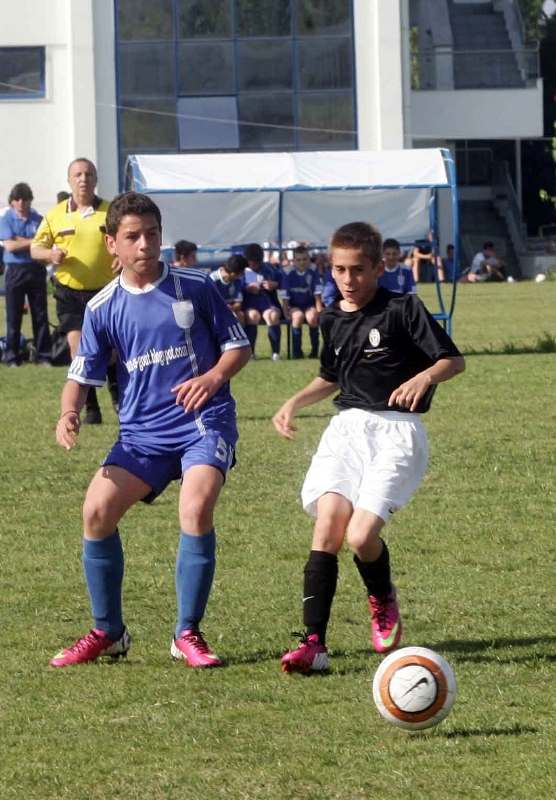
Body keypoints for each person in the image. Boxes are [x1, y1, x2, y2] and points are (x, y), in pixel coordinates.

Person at [50, 191, 251, 669]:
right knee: (96, 511)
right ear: (111, 243)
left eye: (152, 234)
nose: (144, 245)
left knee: (196, 506)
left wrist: (212, 378)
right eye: (132, 236)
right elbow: (80, 374)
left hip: (203, 422)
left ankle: (187, 633)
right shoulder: (102, 307)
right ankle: (108, 632)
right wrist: (69, 412)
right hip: (142, 435)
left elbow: (238, 346)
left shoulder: (195, 286)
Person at [272, 221, 465, 674]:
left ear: (379, 268)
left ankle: (381, 595)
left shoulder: (403, 308)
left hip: (397, 432)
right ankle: (313, 644)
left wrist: (423, 377)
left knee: (360, 537)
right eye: (339, 269)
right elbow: (332, 376)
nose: (348, 279)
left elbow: (452, 360)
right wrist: (294, 402)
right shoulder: (331, 317)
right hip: (346, 431)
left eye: (358, 270)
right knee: (327, 527)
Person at [30, 158, 119, 423]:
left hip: (106, 291)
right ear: (69, 180)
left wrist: (122, 258)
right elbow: (35, 249)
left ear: (96, 180)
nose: (83, 179)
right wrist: (50, 254)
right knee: (78, 349)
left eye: (88, 174)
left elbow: (127, 238)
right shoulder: (55, 214)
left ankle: (118, 397)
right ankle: (91, 407)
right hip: (70, 293)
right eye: (78, 174)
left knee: (112, 349)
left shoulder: (111, 211)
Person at [0, 182, 52, 367]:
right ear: (12, 201)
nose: (21, 202)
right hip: (15, 270)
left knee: (40, 315)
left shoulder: (39, 219)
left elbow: (45, 244)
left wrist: (20, 240)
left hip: (36, 268)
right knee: (13, 316)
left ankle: (43, 356)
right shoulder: (6, 219)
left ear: (30, 200)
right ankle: (12, 357)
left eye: (24, 199)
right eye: (17, 199)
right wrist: (33, 241)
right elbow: (10, 246)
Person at [280, 244, 323, 359]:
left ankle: (314, 352)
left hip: (309, 304)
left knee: (312, 318)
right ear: (294, 260)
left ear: (309, 259)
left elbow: (317, 294)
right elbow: (285, 297)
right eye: (298, 260)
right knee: (297, 316)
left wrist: (319, 311)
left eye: (304, 259)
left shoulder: (313, 270)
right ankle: (297, 352)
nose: (302, 262)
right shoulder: (288, 272)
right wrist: (286, 314)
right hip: (294, 305)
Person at [242, 242, 283, 361]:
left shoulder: (269, 268)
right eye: (252, 263)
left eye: (257, 263)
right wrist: (247, 288)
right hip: (250, 305)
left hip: (268, 304)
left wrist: (275, 285)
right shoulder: (241, 271)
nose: (254, 266)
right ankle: (251, 353)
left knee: (273, 316)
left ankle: (276, 353)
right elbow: (235, 287)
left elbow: (284, 282)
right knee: (252, 316)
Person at [209, 254, 247, 327]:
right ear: (233, 274)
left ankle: (242, 335)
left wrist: (231, 308)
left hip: (230, 311)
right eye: (242, 272)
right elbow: (208, 305)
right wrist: (224, 309)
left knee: (240, 315)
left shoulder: (237, 281)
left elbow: (238, 304)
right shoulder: (212, 280)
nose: (243, 275)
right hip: (214, 314)